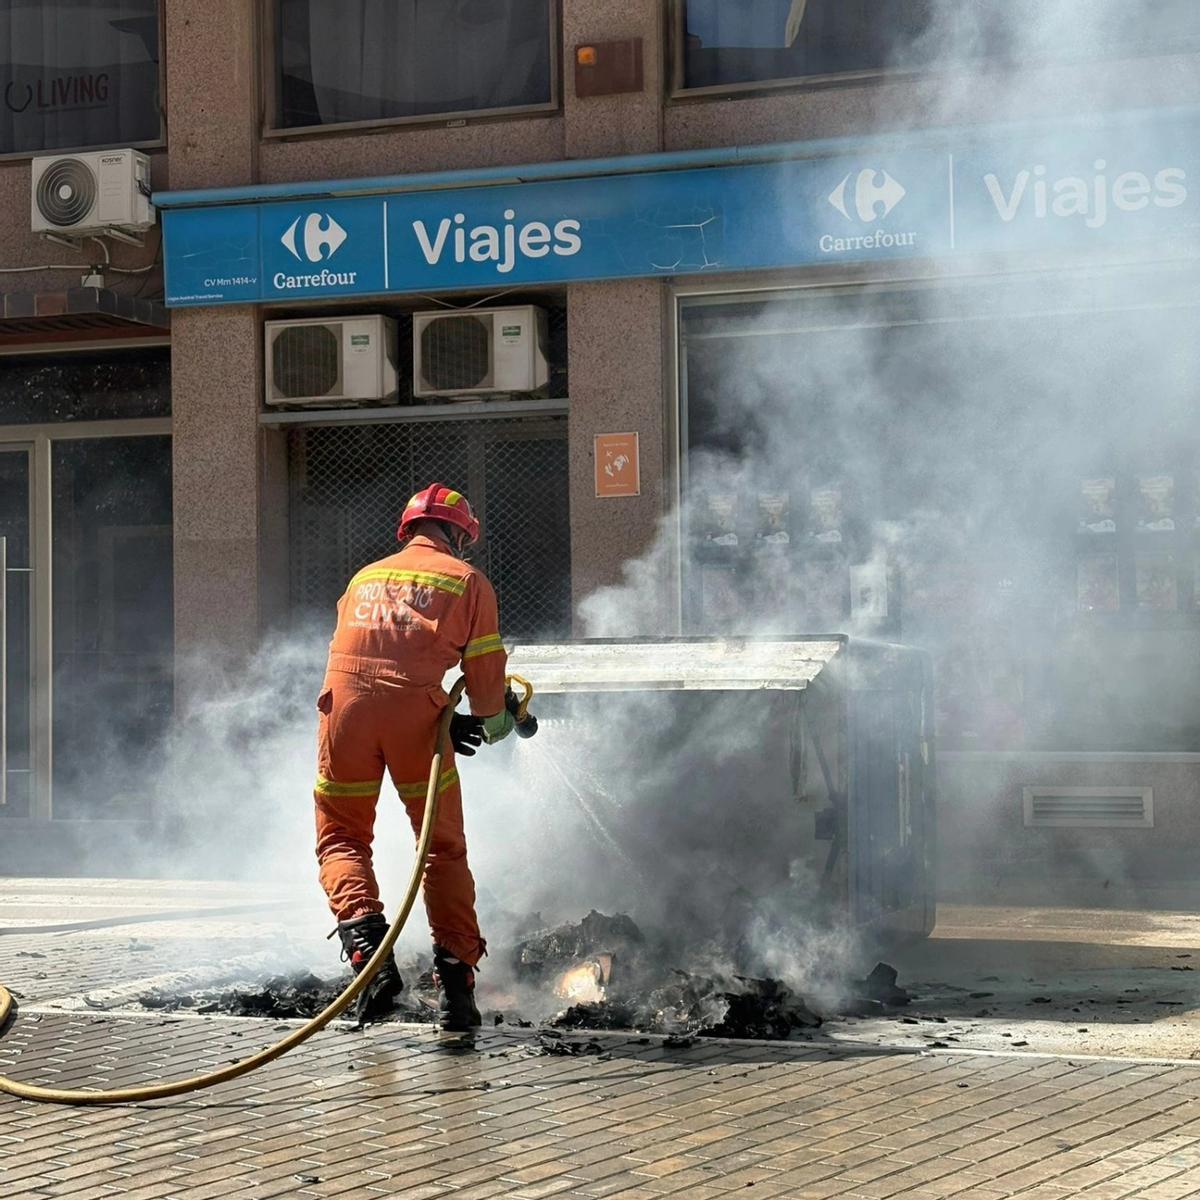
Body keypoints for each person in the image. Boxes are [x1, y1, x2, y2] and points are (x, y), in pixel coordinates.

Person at [313, 483, 513, 1029]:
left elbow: (370, 657)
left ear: (407, 532)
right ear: (460, 535)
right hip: (414, 721)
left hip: (344, 715)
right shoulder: (467, 580)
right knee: (441, 850)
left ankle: (370, 962)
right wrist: (492, 724)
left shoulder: (364, 577)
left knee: (342, 838)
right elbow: (487, 680)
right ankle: (456, 988)